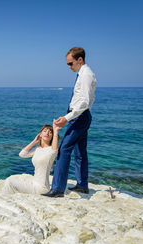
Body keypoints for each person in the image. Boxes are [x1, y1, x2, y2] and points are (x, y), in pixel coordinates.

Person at [43, 47, 96, 198]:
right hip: (81, 116)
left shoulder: (86, 75)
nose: (69, 67)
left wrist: (68, 117)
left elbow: (85, 101)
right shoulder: (84, 74)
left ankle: (58, 189)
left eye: (70, 63)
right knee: (80, 152)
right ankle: (82, 185)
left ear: (80, 60)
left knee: (64, 149)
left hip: (80, 116)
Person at [2, 122, 61, 195]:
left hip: (41, 188)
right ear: (40, 134)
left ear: (52, 136)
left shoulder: (51, 150)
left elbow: (54, 150)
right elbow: (22, 154)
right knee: (11, 181)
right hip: (34, 183)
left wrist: (55, 131)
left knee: (9, 181)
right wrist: (34, 141)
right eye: (45, 131)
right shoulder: (37, 149)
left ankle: (5, 199)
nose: (47, 133)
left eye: (50, 132)